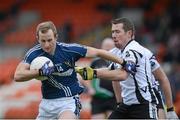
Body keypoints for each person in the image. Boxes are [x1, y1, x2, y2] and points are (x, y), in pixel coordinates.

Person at [13, 21, 126, 119]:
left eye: (49, 40)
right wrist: (40, 72)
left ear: (56, 37)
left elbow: (98, 52)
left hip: (68, 101)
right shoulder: (33, 54)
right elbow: (18, 75)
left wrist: (123, 62)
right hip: (46, 103)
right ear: (37, 38)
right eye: (43, 41)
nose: (46, 45)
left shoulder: (69, 50)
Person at [76, 17, 178, 119]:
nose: (114, 35)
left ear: (129, 33)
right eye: (112, 32)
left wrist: (170, 109)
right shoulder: (116, 52)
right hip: (127, 104)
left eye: (117, 32)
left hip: (144, 103)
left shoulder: (136, 51)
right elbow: (112, 73)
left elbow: (123, 74)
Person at [90, 38, 116, 119]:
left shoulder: (118, 61)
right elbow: (84, 76)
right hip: (98, 98)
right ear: (101, 48)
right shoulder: (95, 61)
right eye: (106, 46)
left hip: (113, 97)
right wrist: (90, 88)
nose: (108, 49)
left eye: (110, 47)